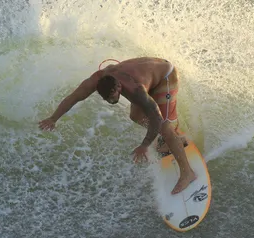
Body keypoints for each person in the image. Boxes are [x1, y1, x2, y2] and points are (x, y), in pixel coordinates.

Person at [38, 57, 196, 194]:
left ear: (119, 87)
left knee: (164, 127)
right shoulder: (96, 80)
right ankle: (171, 142)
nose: (111, 101)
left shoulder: (135, 90)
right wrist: (53, 118)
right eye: (107, 98)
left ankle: (187, 173)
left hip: (165, 77)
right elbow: (73, 98)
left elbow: (156, 118)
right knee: (135, 115)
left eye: (113, 96)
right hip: (149, 74)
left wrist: (145, 144)